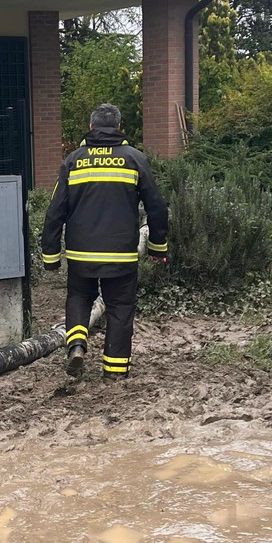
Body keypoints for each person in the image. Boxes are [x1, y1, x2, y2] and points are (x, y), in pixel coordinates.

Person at [41, 103, 169, 380]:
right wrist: (158, 246)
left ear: (91, 127)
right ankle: (114, 371)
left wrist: (51, 255)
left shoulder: (73, 161)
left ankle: (76, 345)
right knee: (120, 308)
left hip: (80, 253)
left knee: (78, 296)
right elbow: (156, 206)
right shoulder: (135, 159)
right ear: (119, 128)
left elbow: (55, 210)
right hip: (121, 254)